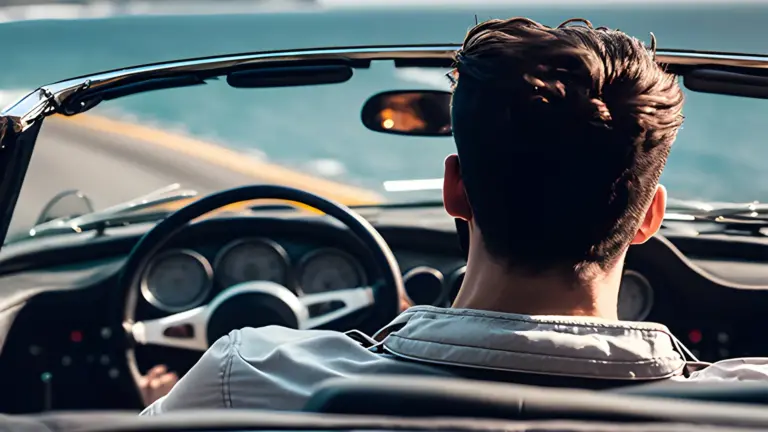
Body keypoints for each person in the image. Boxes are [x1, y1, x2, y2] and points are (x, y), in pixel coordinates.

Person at [141, 17, 768, 415]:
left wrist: (164, 404)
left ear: (455, 190)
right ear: (649, 216)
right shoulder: (747, 404)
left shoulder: (246, 380)